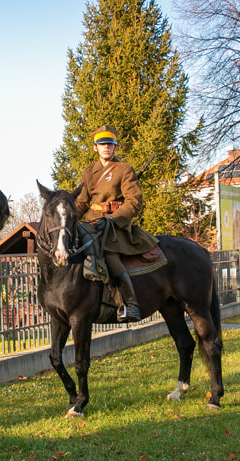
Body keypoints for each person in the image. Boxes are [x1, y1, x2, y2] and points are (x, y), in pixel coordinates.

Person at [73, 125, 158, 323]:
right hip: (92, 223)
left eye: (110, 145)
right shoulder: (89, 171)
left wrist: (113, 219)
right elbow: (82, 202)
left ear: (115, 147)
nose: (106, 148)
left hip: (115, 225)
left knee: (109, 256)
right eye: (102, 144)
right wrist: (70, 219)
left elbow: (134, 202)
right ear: (95, 147)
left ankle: (130, 305)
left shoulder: (124, 169)